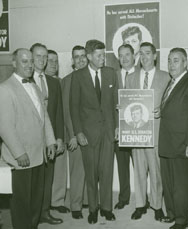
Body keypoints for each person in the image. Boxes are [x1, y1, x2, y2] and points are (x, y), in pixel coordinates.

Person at [0, 48, 56, 229]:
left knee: (35, 203)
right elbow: (5, 126)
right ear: (14, 63)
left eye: (31, 61)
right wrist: (18, 153)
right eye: (24, 61)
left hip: (39, 156)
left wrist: (51, 141)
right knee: (21, 205)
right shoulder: (5, 89)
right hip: (21, 159)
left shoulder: (34, 86)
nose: (30, 65)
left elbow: (44, 117)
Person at [70, 39, 118, 224]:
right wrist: (79, 132)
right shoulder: (78, 76)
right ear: (89, 56)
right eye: (99, 55)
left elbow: (115, 103)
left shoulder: (111, 74)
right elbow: (74, 107)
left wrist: (117, 127)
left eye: (103, 55)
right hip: (88, 134)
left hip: (107, 133)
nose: (102, 58)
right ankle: (93, 209)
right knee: (91, 174)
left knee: (107, 172)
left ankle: (106, 208)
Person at [159, 47, 188, 229]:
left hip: (182, 145)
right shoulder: (172, 83)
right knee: (169, 184)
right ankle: (171, 213)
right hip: (167, 143)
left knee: (182, 185)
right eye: (169, 60)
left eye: (176, 60)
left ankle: (181, 220)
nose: (171, 64)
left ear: (186, 63)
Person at [126, 42, 169, 221]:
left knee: (156, 170)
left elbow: (171, 103)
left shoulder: (166, 77)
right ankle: (140, 204)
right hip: (136, 133)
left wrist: (163, 110)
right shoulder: (131, 77)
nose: (144, 57)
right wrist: (123, 107)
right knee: (139, 170)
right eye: (141, 54)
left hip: (157, 131)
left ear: (155, 56)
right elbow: (128, 102)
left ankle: (157, 205)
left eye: (148, 53)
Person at [30, 43, 65, 225]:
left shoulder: (53, 82)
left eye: (45, 57)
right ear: (31, 57)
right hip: (32, 140)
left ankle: (45, 212)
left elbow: (58, 112)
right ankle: (32, 216)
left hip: (50, 140)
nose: (42, 60)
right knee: (33, 180)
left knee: (47, 178)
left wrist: (58, 137)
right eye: (38, 56)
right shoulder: (26, 80)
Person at [61, 45, 88, 219]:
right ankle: (76, 206)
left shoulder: (93, 76)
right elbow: (66, 110)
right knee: (77, 171)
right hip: (76, 134)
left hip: (93, 133)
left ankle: (86, 200)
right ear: (72, 60)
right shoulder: (67, 80)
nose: (80, 59)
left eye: (83, 56)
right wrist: (72, 135)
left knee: (90, 170)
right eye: (76, 57)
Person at [43, 49, 69, 214]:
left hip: (60, 131)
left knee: (59, 169)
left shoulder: (61, 82)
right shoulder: (36, 81)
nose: (53, 64)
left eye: (56, 61)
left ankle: (57, 201)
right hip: (43, 133)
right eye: (50, 60)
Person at [114, 44, 136, 210]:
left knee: (141, 167)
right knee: (122, 167)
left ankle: (144, 198)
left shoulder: (142, 75)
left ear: (133, 55)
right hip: (119, 130)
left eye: (127, 54)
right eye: (121, 55)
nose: (124, 58)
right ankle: (124, 197)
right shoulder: (113, 76)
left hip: (138, 130)